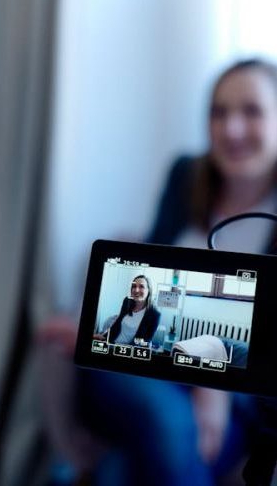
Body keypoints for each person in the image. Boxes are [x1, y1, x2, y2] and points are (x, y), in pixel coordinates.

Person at [38, 58, 277, 485]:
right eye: (219, 112)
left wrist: (213, 383)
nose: (232, 129)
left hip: (236, 390)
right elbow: (146, 275)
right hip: (143, 362)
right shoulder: (186, 175)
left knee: (128, 464)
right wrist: (95, 323)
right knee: (160, 418)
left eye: (251, 111)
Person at [95, 275, 161, 346]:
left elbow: (146, 340)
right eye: (134, 286)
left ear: (149, 290)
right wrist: (104, 337)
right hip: (112, 343)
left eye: (141, 287)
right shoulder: (127, 301)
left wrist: (128, 349)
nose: (136, 290)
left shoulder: (155, 314)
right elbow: (117, 322)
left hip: (130, 349)